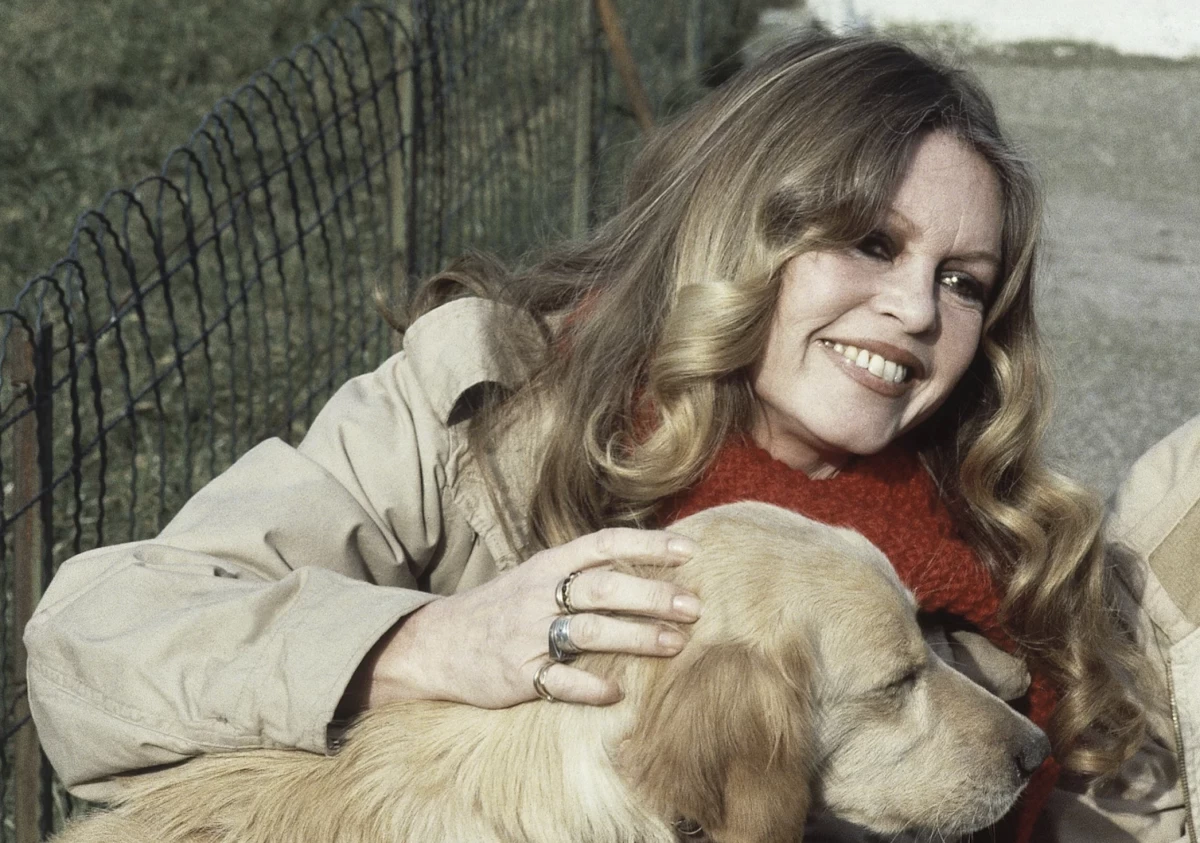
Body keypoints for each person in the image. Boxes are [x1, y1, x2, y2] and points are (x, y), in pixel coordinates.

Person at [25, 35, 1199, 842]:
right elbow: (93, 637)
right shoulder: (487, 413)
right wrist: (428, 642)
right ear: (740, 230)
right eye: (870, 244)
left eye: (963, 280)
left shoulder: (1003, 534)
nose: (915, 309)